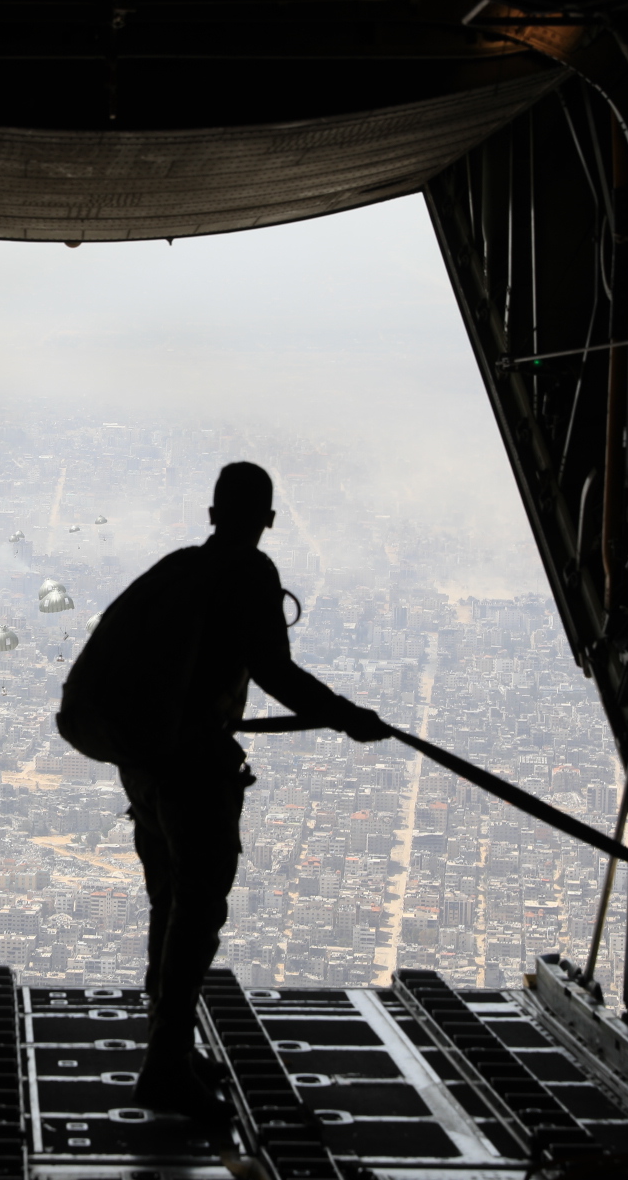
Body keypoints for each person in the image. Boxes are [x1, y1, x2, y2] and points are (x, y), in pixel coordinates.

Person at [57, 461, 389, 1121]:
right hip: (193, 771)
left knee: (168, 907)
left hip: (146, 767)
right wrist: (347, 715)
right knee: (198, 913)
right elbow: (274, 671)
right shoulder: (248, 573)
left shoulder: (181, 568)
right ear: (268, 519)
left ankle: (169, 1048)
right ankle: (165, 1063)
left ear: (213, 514)